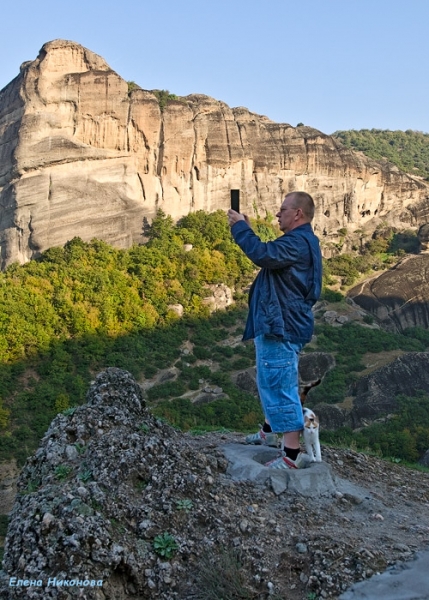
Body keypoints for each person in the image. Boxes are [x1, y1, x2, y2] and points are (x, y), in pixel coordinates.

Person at [227, 191, 322, 469]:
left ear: (298, 214)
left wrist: (241, 228)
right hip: (283, 322)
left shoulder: (298, 242)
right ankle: (268, 433)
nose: (277, 215)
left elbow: (262, 254)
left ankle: (290, 457)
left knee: (279, 386)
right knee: (272, 379)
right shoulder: (302, 241)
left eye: (283, 210)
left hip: (281, 325)